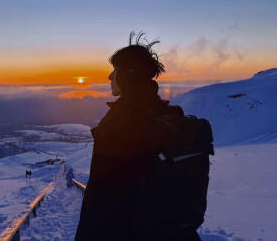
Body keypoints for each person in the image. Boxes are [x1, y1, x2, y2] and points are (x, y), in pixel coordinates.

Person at [75, 32, 205, 241]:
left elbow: (102, 200)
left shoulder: (121, 123)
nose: (109, 77)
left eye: (115, 70)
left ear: (128, 74)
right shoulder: (165, 114)